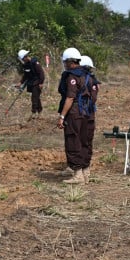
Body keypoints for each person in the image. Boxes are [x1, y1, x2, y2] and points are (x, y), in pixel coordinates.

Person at [57, 47, 95, 184]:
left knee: (73, 140)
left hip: (74, 113)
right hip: (87, 112)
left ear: (69, 61)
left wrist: (62, 116)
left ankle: (78, 174)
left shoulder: (72, 76)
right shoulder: (88, 75)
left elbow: (69, 98)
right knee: (84, 140)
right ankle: (85, 172)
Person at [79, 55, 99, 183]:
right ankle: (84, 168)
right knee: (86, 141)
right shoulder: (93, 81)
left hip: (83, 114)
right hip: (89, 114)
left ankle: (83, 169)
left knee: (81, 141)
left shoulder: (86, 81)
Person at [16, 49, 45, 119]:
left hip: (37, 83)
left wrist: (41, 83)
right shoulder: (26, 65)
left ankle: (33, 113)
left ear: (25, 57)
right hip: (31, 83)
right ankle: (40, 112)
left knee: (34, 98)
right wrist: (21, 82)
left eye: (23, 58)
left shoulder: (35, 63)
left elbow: (41, 73)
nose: (23, 60)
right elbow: (25, 75)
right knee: (36, 98)